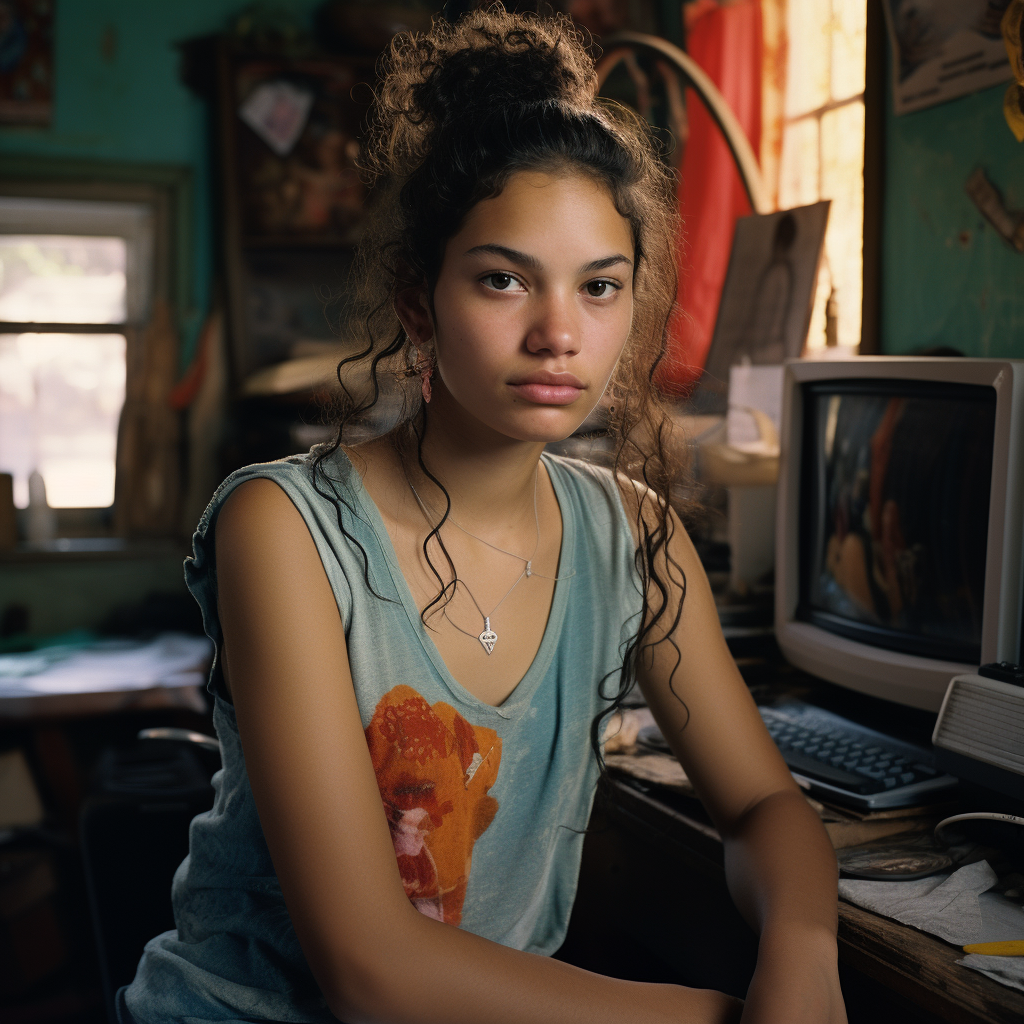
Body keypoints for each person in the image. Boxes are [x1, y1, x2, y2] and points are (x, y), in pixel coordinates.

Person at [121, 9, 847, 1023]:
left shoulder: (631, 537)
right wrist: (729, 1017)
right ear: (420, 303)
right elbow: (371, 969)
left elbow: (766, 804)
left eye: (600, 287)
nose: (558, 333)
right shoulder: (282, 530)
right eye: (503, 279)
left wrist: (802, 955)